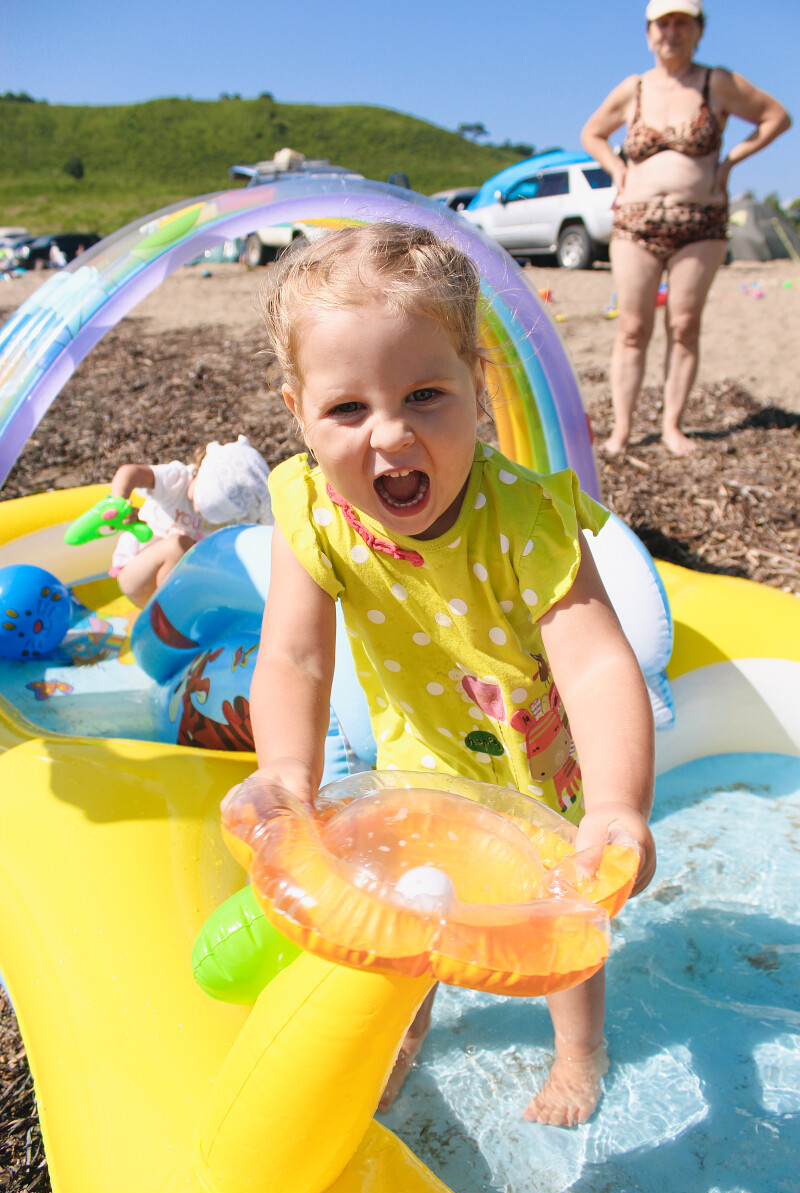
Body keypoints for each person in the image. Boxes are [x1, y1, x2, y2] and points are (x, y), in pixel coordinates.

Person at [244, 222, 657, 1127]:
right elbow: (295, 655)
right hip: (417, 761)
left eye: (425, 394)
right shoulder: (310, 511)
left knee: (563, 924)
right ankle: (406, 1039)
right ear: (298, 412)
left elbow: (594, 667)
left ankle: (579, 1051)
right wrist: (284, 772)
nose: (390, 434)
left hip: (540, 770)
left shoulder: (527, 520)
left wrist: (618, 805)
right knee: (403, 922)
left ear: (477, 390)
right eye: (348, 410)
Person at [581, 0, 791, 456]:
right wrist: (616, 169)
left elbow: (777, 116)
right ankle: (622, 431)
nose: (671, 32)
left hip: (701, 223)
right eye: (662, 24)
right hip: (635, 222)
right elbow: (592, 132)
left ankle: (673, 426)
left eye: (681, 23)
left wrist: (730, 161)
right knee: (632, 328)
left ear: (698, 31)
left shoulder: (718, 82)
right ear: (648, 33)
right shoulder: (632, 88)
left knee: (684, 324)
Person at [109, 434, 272, 607]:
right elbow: (130, 472)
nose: (196, 510)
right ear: (202, 473)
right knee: (178, 546)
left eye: (211, 513)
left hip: (184, 583)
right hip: (137, 575)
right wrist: (119, 502)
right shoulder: (177, 481)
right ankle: (168, 617)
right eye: (198, 500)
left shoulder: (235, 517)